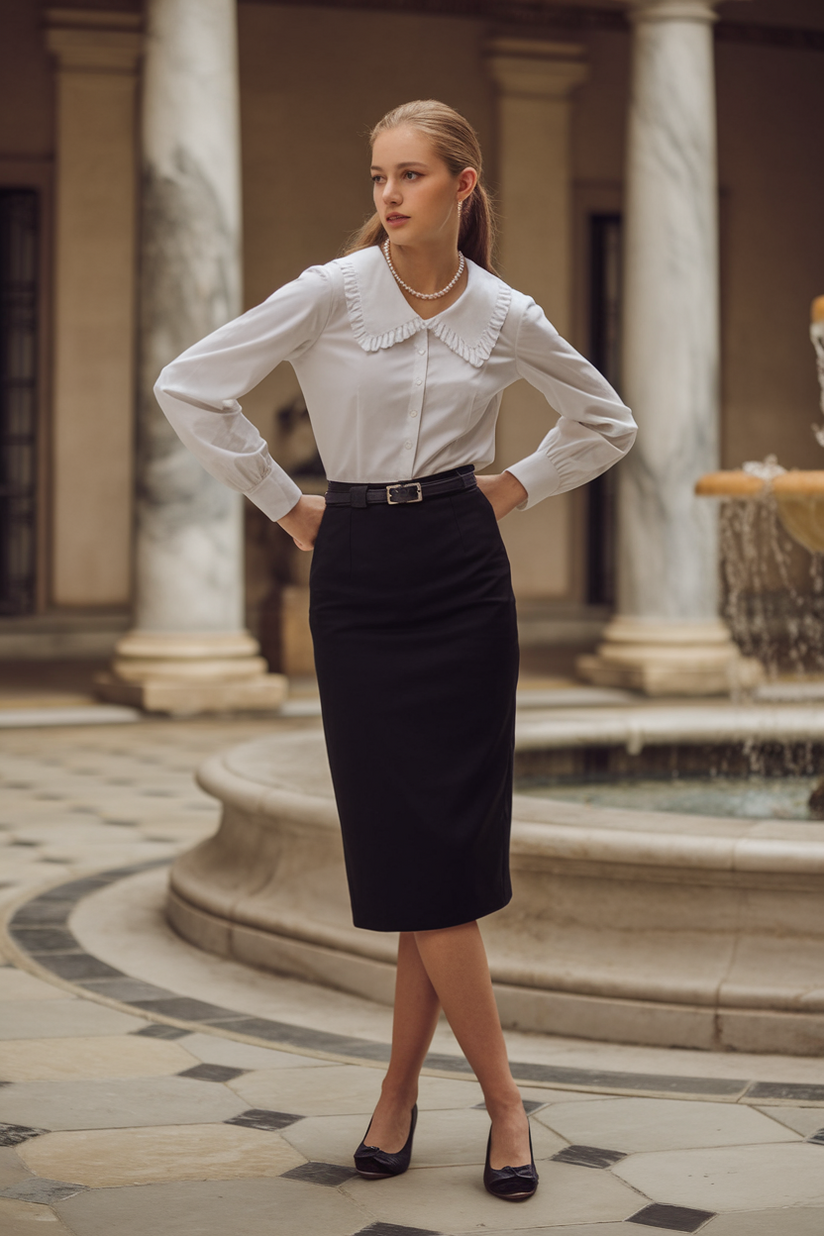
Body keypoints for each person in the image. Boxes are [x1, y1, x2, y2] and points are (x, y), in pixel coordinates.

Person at [155, 99, 636, 1203]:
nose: (386, 195)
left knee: (441, 854)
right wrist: (285, 504)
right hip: (360, 569)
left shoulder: (506, 314)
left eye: (409, 175)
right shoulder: (330, 292)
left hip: (462, 573)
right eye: (377, 174)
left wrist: (517, 483)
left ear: (462, 186)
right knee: (407, 845)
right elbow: (189, 385)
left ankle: (404, 1093)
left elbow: (605, 422)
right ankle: (502, 1097)